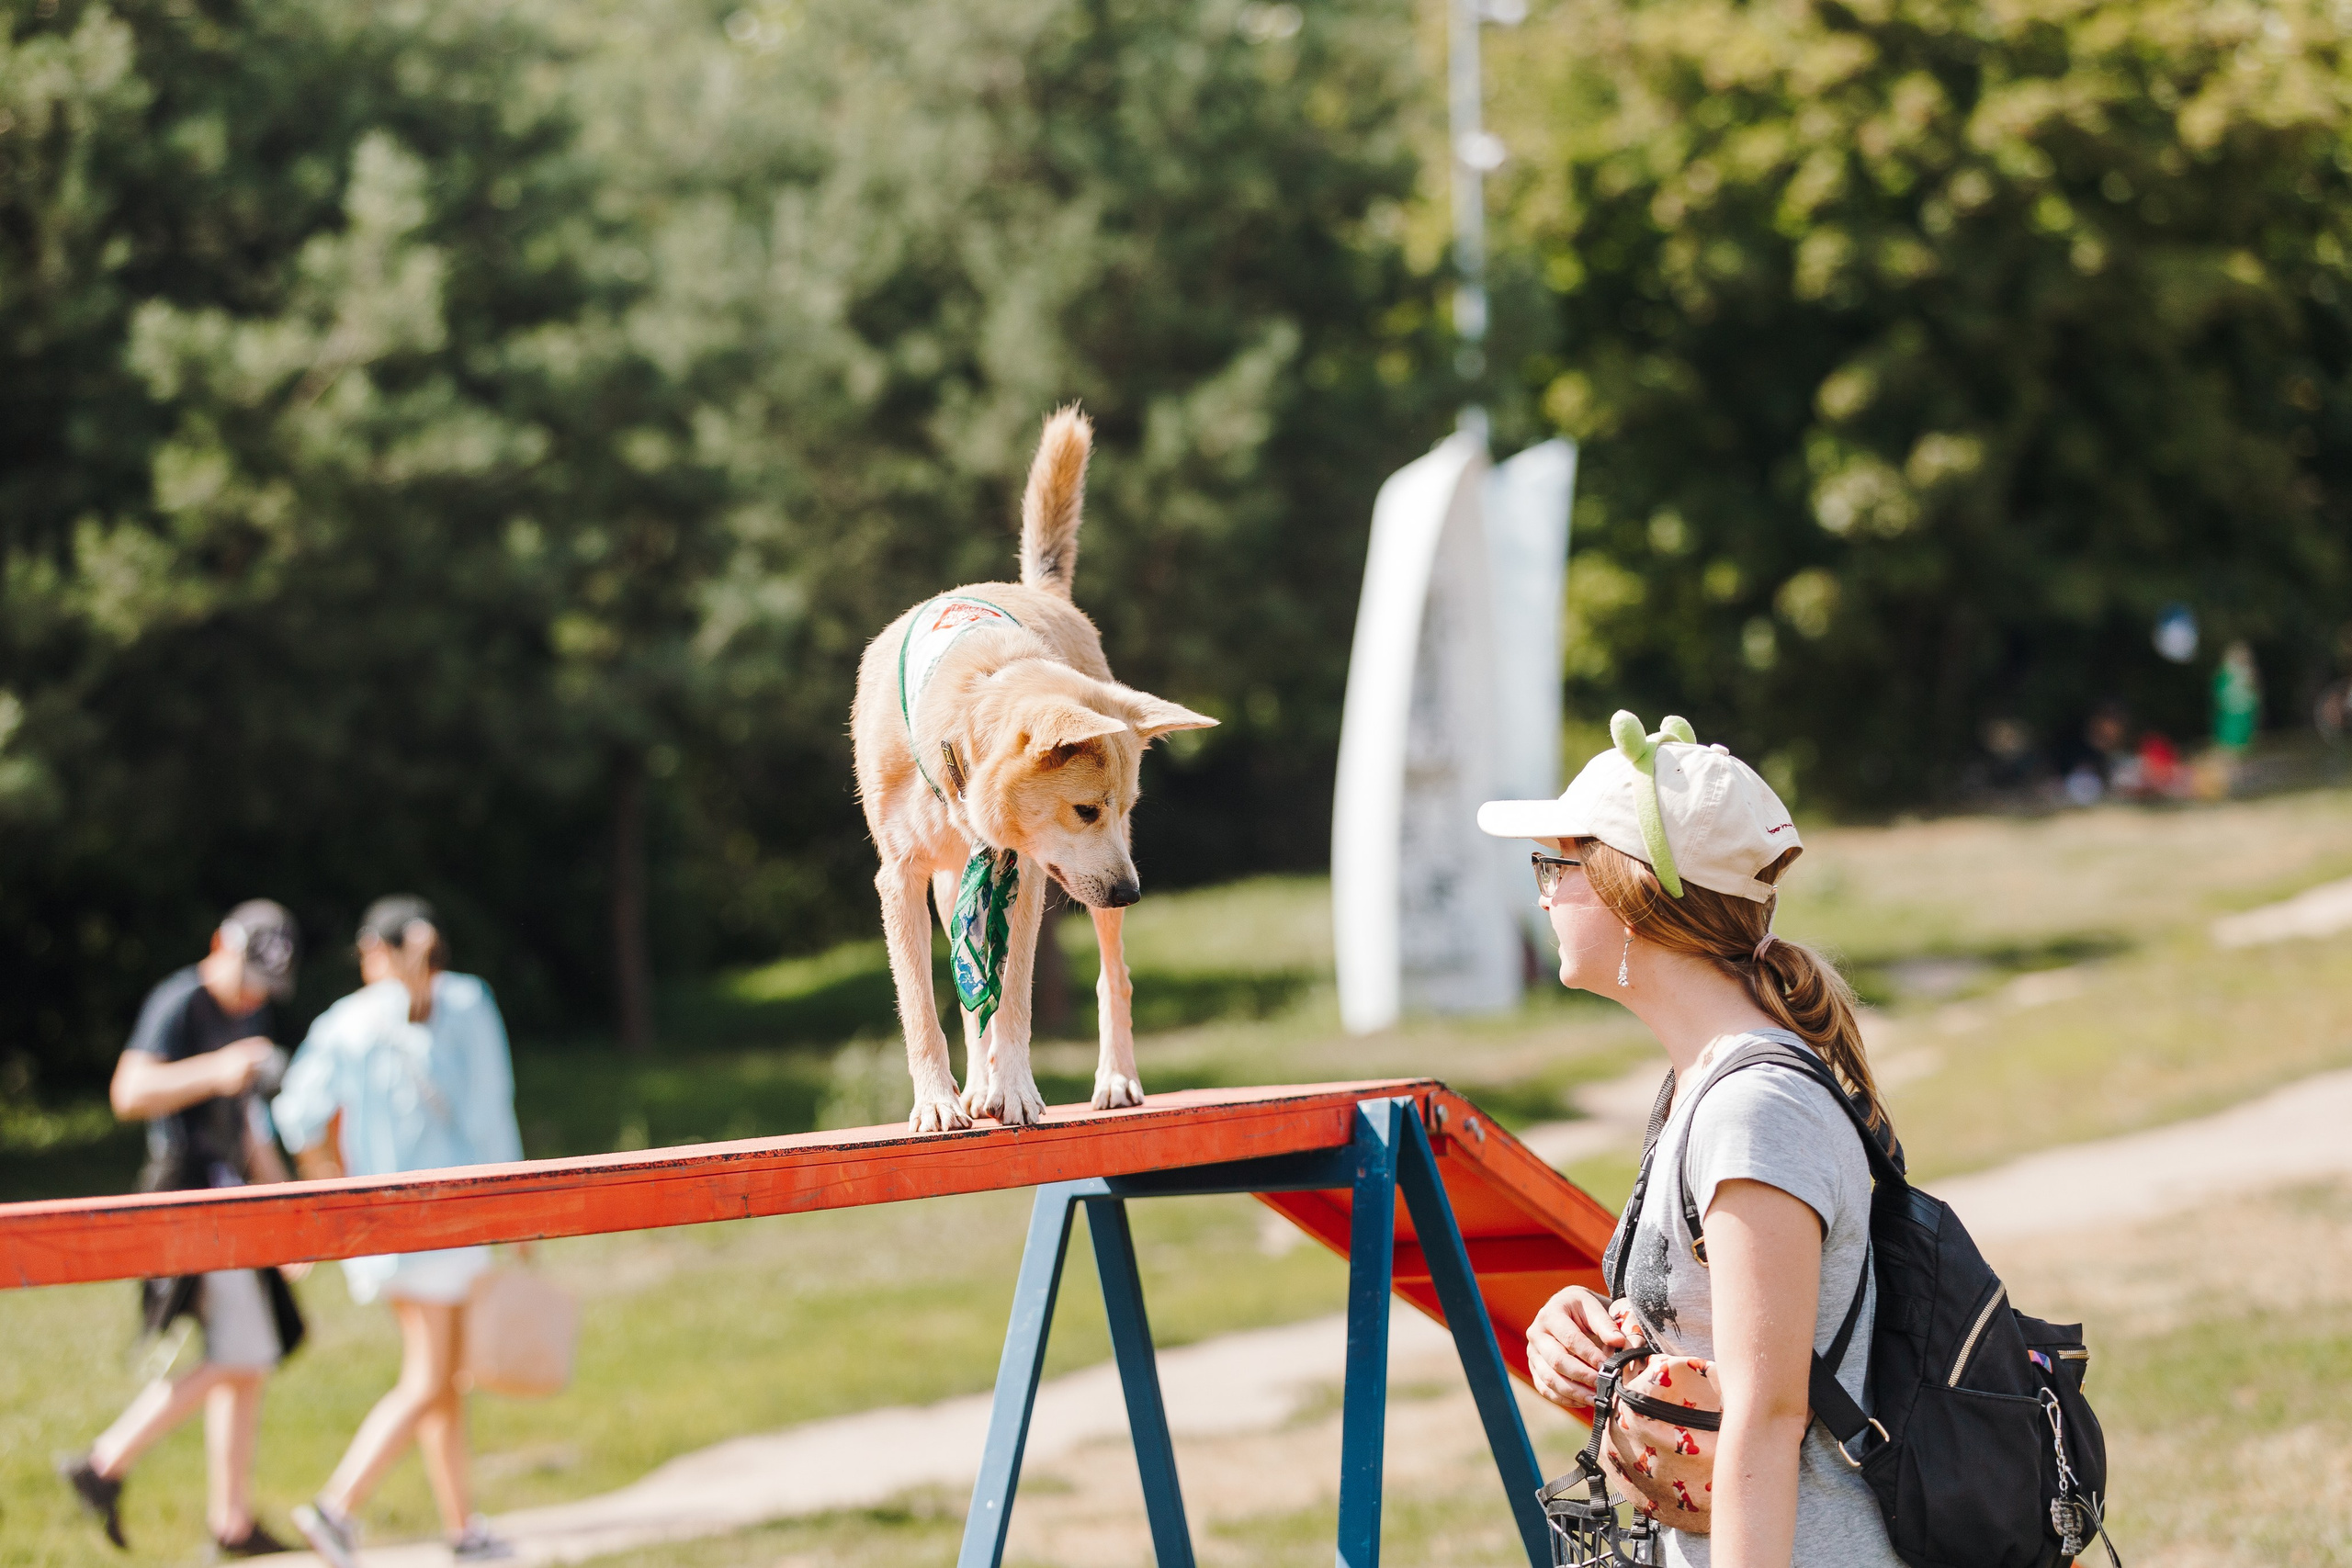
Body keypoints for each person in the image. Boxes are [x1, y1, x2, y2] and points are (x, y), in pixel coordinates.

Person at [1479, 713, 1902, 1567]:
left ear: (1630, 895)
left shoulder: (1757, 1109)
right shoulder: (1702, 1087)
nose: (1541, 893)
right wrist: (1595, 1334)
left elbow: (1768, 1412)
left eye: (1555, 865)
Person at [270, 897, 523, 1566]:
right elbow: (493, 1108)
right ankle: (336, 1507)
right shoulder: (465, 1003)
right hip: (457, 1215)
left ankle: (463, 1525)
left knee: (439, 1379)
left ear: (372, 950)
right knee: (431, 1377)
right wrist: (522, 1208)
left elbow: (296, 1113)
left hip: (379, 1222)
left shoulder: (346, 1020)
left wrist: (327, 1181)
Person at [58, 899, 304, 1558]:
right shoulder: (179, 1000)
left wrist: (288, 1208)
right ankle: (105, 1461)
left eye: (266, 985)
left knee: (244, 1359)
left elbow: (251, 1126)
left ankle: (230, 1519)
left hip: (231, 1196)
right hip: (183, 1196)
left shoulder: (251, 1009)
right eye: (249, 974)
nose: (255, 993)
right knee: (242, 1354)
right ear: (220, 943)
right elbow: (127, 1090)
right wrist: (214, 1071)